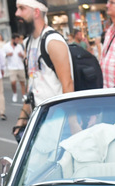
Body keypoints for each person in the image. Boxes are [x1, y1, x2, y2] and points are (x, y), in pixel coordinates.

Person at [12, 0, 74, 140]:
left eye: (22, 8)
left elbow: (68, 84)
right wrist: (22, 118)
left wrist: (72, 126)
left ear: (36, 12)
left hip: (58, 122)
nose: (17, 13)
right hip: (39, 119)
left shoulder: (53, 41)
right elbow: (32, 85)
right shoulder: (28, 42)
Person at [4, 34, 27, 103]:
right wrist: (7, 54)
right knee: (13, 82)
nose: (17, 42)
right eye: (16, 40)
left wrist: (21, 55)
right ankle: (15, 93)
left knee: (22, 82)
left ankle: (23, 96)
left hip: (20, 67)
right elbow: (2, 55)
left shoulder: (19, 46)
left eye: (18, 40)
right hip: (12, 67)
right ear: (12, 39)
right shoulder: (6, 46)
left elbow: (24, 56)